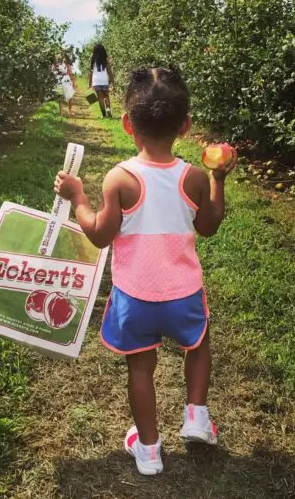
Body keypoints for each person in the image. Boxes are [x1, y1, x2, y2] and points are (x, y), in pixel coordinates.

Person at [54, 66, 237, 476]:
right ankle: (196, 415)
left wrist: (77, 197)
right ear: (185, 126)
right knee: (199, 344)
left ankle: (150, 450)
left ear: (125, 124)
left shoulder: (120, 177)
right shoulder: (192, 175)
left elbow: (100, 236)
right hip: (183, 293)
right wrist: (217, 180)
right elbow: (208, 227)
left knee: (140, 367)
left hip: (135, 297)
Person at [89, 43, 114, 118]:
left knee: (100, 98)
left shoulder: (93, 59)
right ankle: (108, 108)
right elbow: (109, 71)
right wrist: (113, 82)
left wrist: (89, 83)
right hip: (104, 80)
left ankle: (104, 115)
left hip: (96, 80)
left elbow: (91, 72)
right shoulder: (105, 59)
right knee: (106, 96)